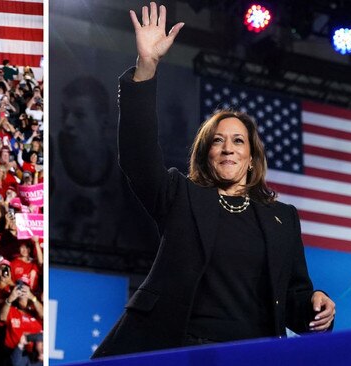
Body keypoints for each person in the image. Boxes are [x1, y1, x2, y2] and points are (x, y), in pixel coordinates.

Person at [92, 2, 335, 357]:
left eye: (238, 141)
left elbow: (295, 302)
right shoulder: (182, 196)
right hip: (179, 349)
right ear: (206, 153)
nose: (228, 148)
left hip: (253, 354)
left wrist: (318, 304)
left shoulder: (283, 219)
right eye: (218, 141)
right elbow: (138, 157)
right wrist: (147, 67)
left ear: (252, 158)